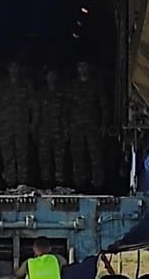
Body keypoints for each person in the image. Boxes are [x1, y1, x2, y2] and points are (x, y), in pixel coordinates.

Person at [66, 60, 109, 191]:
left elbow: (104, 106)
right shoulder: (73, 85)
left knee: (95, 156)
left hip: (92, 126)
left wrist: (104, 123)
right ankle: (79, 184)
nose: (82, 69)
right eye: (80, 66)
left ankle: (97, 184)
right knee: (77, 155)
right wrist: (66, 125)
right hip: (76, 127)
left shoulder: (95, 85)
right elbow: (66, 107)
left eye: (84, 65)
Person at [0, 61, 37, 188]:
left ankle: (22, 183)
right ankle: (10, 184)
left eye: (16, 67)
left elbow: (34, 106)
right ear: (8, 69)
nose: (13, 70)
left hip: (21, 127)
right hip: (5, 127)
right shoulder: (1, 86)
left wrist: (33, 123)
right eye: (11, 67)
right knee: (8, 157)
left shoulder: (26, 85)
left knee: (22, 156)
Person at [34, 67, 68, 188]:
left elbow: (65, 112)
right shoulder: (40, 93)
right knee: (44, 159)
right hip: (44, 131)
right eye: (49, 75)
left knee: (59, 158)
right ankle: (46, 183)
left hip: (58, 130)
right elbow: (36, 113)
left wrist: (65, 129)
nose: (51, 78)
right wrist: (35, 130)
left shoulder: (61, 93)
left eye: (53, 75)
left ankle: (59, 183)